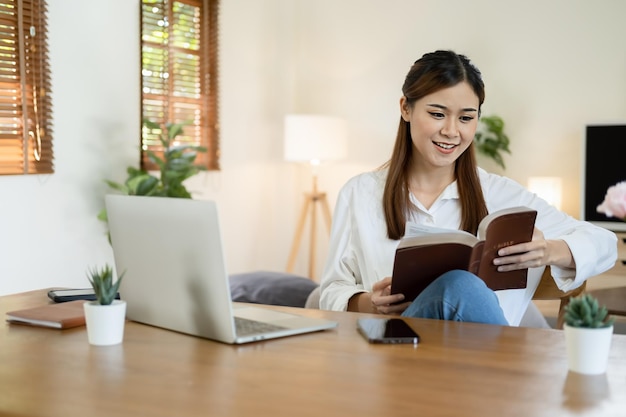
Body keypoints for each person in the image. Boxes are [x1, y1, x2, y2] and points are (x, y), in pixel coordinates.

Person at [319, 50, 617, 326]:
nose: (451, 131)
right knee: (459, 286)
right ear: (405, 109)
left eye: (465, 118)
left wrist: (549, 250)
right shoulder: (360, 193)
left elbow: (604, 243)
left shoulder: (503, 195)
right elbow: (332, 292)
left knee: (463, 287)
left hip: (477, 366)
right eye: (437, 114)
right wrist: (372, 303)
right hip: (398, 357)